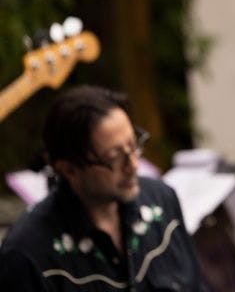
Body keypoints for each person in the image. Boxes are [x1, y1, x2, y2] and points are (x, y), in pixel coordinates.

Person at [0, 85, 208, 291]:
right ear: (69, 169)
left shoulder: (162, 200)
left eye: (134, 144)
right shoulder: (26, 254)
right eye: (114, 157)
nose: (133, 165)